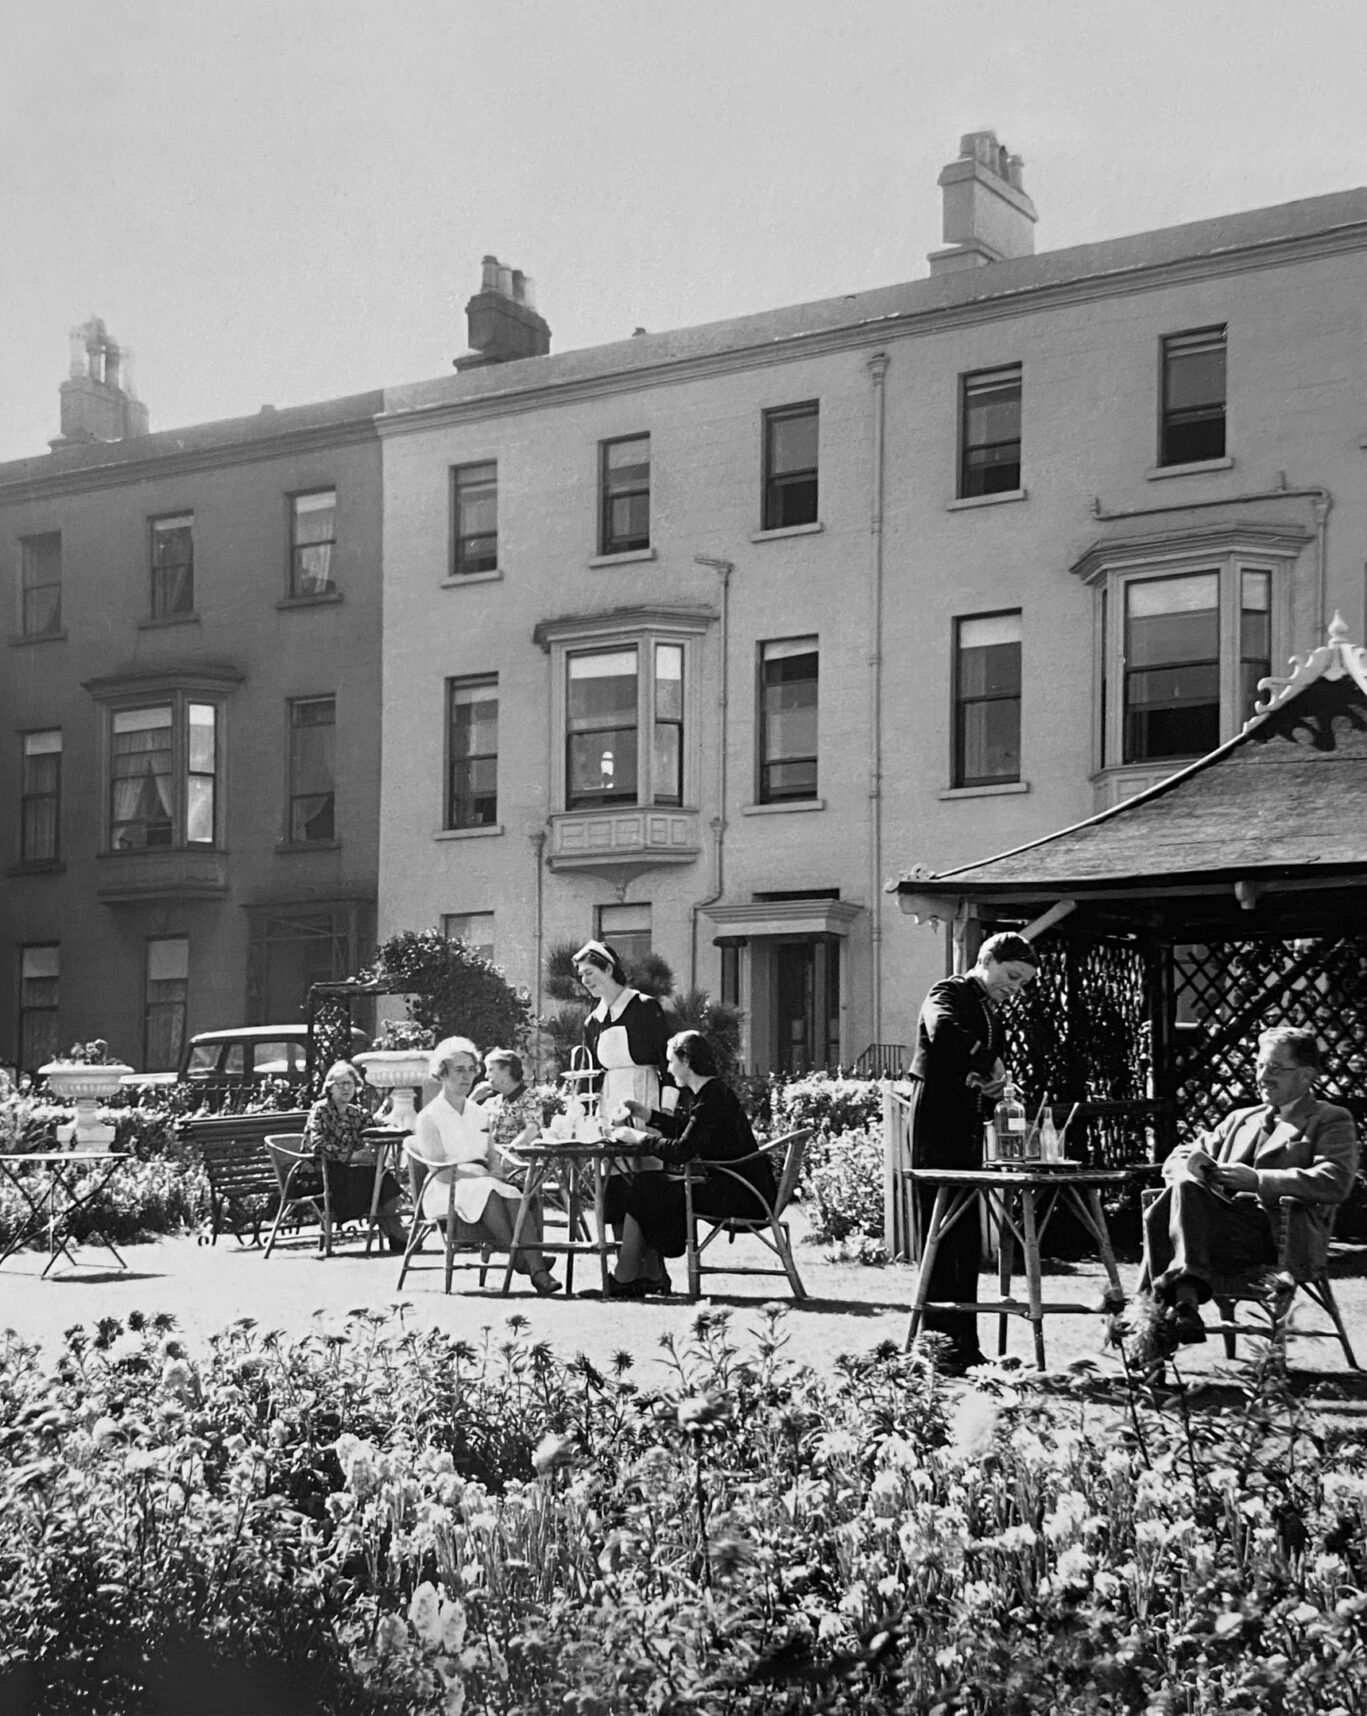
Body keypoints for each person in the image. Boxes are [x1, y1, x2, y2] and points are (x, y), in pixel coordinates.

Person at [1142, 1026, 1358, 1344]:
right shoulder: (1242, 1118)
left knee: (1168, 1210)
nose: (1264, 1077)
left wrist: (1258, 1181)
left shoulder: (1329, 1119)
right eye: (1260, 1066)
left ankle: (1144, 1328)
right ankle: (1183, 1306)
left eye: (1276, 1069)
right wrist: (1195, 1174)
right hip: (1211, 1235)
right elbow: (1179, 1156)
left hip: (1277, 1236)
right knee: (1183, 1189)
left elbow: (1334, 1181)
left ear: (1306, 1075)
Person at [907, 931, 1040, 1373]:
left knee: (965, 1238)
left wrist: (990, 1086)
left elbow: (978, 1073)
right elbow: (943, 1032)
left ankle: (965, 1344)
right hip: (937, 1124)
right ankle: (936, 1346)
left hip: (964, 1122)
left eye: (1022, 984)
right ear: (986, 961)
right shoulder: (948, 991)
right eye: (1011, 976)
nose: (1014, 989)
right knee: (941, 1232)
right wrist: (988, 1062)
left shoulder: (989, 1009)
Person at [608, 1029, 775, 1299]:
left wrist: (636, 1137)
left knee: (647, 1185)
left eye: (671, 1062)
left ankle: (628, 1275)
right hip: (735, 1185)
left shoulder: (712, 1097)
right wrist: (647, 1114)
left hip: (742, 1196)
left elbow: (682, 1150)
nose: (669, 1069)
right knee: (647, 1183)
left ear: (686, 1061)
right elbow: (689, 1132)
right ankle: (646, 1275)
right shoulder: (711, 1093)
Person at [411, 1035, 561, 1295]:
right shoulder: (429, 1117)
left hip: (482, 1184)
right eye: (459, 1070)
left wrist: (494, 1171)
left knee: (512, 1192)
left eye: (471, 1069)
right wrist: (484, 1175)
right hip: (446, 1189)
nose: (467, 1076)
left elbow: (491, 1154)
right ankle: (529, 1264)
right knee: (489, 1191)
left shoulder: (480, 1113)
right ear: (443, 1073)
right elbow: (441, 1171)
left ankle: (534, 1269)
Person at [301, 1060, 408, 1252]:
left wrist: (392, 1124)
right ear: (329, 1088)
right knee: (371, 1177)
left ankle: (396, 1233)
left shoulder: (356, 1113)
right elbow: (318, 1145)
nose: (346, 1089)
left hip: (347, 1173)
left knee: (381, 1176)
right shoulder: (321, 1109)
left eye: (350, 1084)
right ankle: (398, 1235)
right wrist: (351, 1156)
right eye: (340, 1084)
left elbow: (376, 1130)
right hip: (318, 1174)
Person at [574, 940, 673, 1121]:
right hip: (609, 1104)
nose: (585, 981)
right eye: (582, 975)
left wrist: (668, 1110)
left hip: (646, 1099)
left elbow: (668, 1061)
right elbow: (587, 1074)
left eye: (589, 973)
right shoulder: (593, 1022)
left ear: (609, 969)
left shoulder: (645, 1007)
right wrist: (578, 1115)